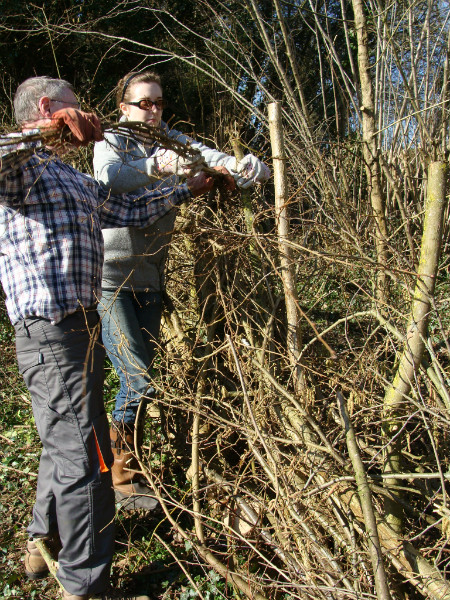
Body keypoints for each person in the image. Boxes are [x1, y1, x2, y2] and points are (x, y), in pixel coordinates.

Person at [0, 75, 232, 600]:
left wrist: (186, 188)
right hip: (49, 329)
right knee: (86, 458)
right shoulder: (19, 170)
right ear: (45, 107)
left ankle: (43, 538)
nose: (87, 117)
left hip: (81, 327)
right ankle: (87, 587)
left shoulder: (65, 176)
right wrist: (44, 133)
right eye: (74, 108)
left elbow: (124, 209)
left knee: (68, 436)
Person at [93, 70, 270, 511]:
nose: (152, 110)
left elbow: (210, 157)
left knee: (142, 378)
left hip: (151, 277)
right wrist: (155, 166)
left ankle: (124, 466)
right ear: (124, 108)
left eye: (158, 102)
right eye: (143, 103)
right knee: (138, 376)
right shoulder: (111, 140)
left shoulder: (173, 140)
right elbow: (110, 178)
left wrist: (243, 166)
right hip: (110, 276)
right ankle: (119, 475)